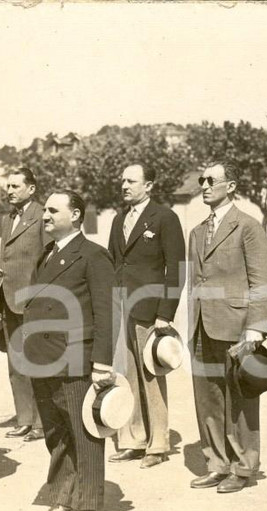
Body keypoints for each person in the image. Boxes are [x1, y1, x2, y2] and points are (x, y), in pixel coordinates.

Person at [22, 190, 116, 511]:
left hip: (75, 357)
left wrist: (102, 362)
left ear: (75, 215)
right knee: (56, 432)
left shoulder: (93, 256)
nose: (44, 216)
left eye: (52, 210)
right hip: (43, 357)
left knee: (84, 432)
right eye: (44, 210)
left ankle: (87, 503)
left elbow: (106, 312)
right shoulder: (47, 253)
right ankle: (61, 497)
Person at [187, 161, 267, 494]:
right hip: (201, 326)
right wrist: (189, 324)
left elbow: (263, 279)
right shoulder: (196, 232)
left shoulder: (248, 227)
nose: (205, 185)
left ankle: (243, 466)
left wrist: (256, 328)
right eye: (202, 180)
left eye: (212, 180)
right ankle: (217, 463)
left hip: (236, 327)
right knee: (208, 399)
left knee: (239, 401)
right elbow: (194, 281)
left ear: (231, 185)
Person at [106, 163, 185, 469]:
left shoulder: (165, 218)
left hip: (149, 311)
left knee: (151, 375)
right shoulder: (118, 219)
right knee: (126, 377)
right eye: (122, 180)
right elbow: (114, 263)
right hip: (121, 308)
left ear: (149, 185)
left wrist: (165, 313)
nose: (124, 185)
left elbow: (176, 269)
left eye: (131, 181)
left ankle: (158, 444)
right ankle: (133, 440)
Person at [0, 167, 47, 442]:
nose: (10, 190)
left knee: (37, 362)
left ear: (31, 189)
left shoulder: (42, 216)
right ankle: (24, 418)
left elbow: (48, 260)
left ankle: (41, 422)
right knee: (16, 363)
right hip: (9, 301)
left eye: (15, 186)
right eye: (8, 186)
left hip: (33, 302)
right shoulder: (7, 219)